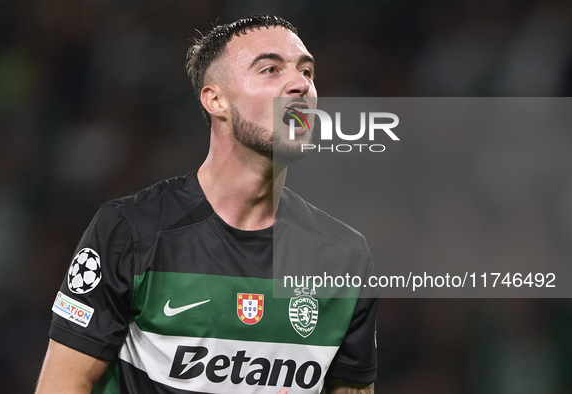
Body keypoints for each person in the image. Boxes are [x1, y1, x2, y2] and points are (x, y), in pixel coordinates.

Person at [35, 14, 377, 394]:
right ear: (216, 100)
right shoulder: (130, 232)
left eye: (307, 72)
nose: (300, 85)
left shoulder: (344, 257)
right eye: (270, 69)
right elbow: (63, 385)